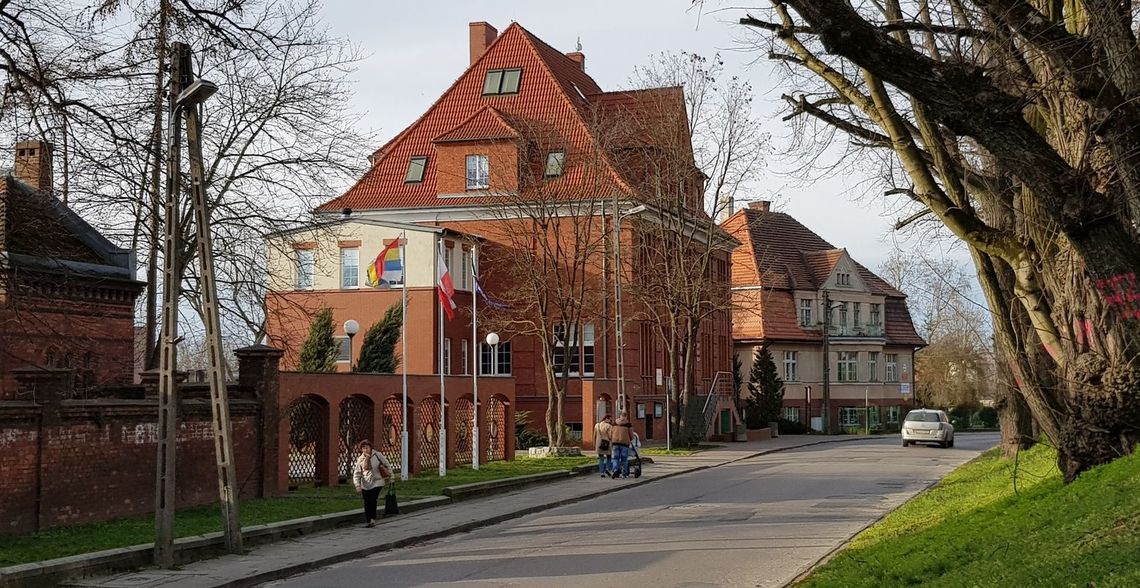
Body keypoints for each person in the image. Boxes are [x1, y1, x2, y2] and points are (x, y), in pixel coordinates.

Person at [352, 439, 393, 528]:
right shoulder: (361, 459)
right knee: (367, 502)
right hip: (365, 484)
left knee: (372, 500)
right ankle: (368, 520)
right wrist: (357, 485)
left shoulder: (377, 455)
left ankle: (372, 520)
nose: (365, 450)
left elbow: (387, 465)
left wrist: (391, 477)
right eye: (363, 448)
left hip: (377, 482)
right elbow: (357, 473)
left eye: (366, 448)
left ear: (370, 447)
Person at [609, 414, 634, 479]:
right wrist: (629, 439)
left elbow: (610, 432)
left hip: (615, 443)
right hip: (624, 444)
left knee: (615, 458)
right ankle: (624, 473)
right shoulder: (628, 424)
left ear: (620, 416)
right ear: (626, 417)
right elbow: (631, 435)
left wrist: (612, 439)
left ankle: (615, 471)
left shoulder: (614, 423)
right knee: (624, 459)